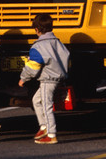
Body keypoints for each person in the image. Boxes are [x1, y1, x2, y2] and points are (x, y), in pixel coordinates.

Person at [18, 14, 70, 145]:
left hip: (48, 79)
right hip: (58, 77)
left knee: (47, 106)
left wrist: (23, 78)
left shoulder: (39, 46)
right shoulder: (58, 43)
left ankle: (51, 134)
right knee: (36, 100)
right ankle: (43, 127)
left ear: (37, 29)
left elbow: (33, 66)